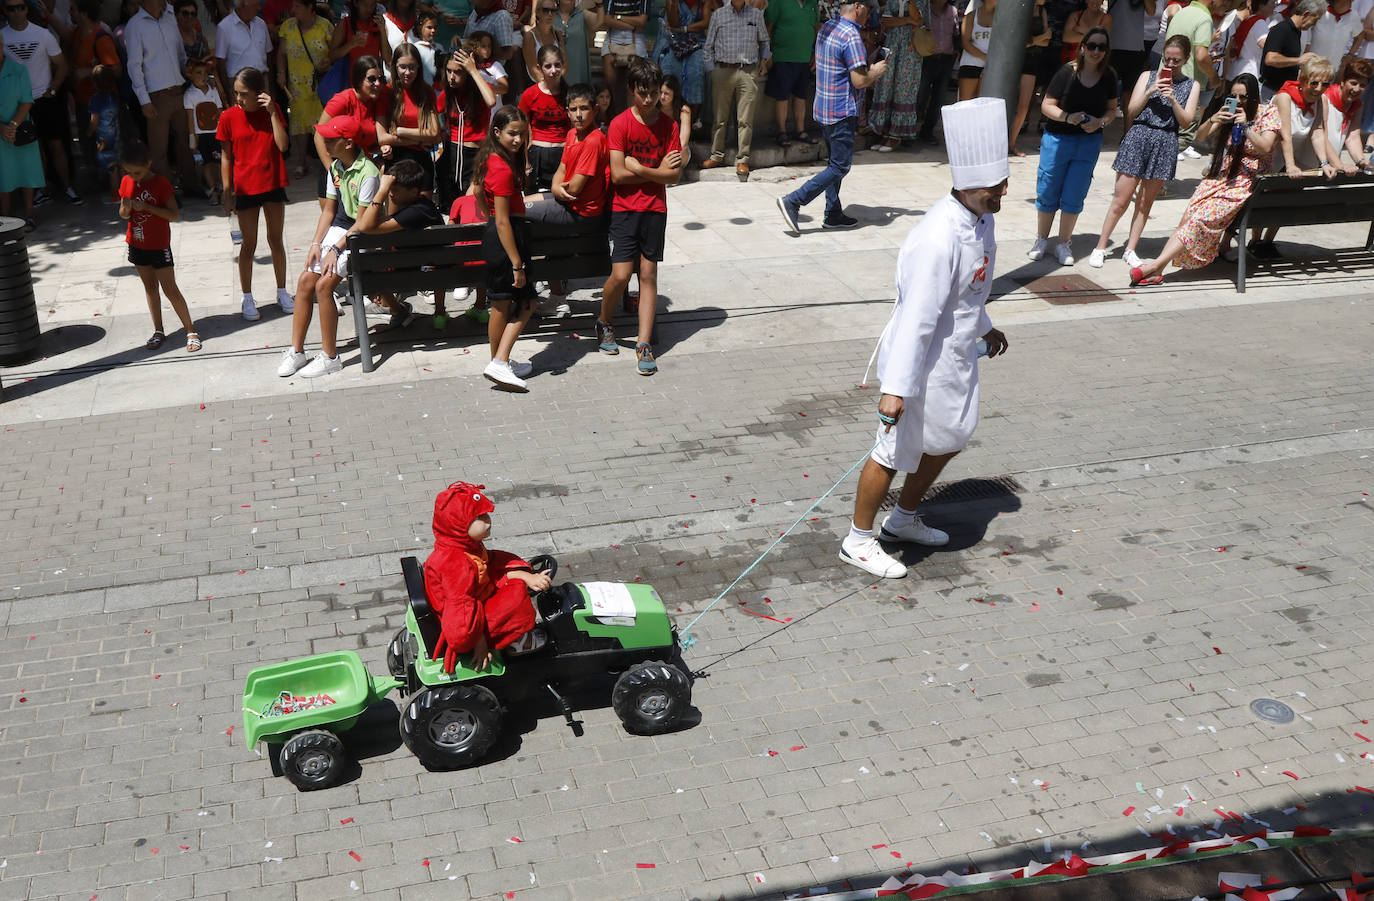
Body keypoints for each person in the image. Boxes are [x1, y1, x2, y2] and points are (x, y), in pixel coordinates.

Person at [839, 97, 1010, 579]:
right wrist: (895, 388)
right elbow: (918, 316)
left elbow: (969, 292)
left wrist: (984, 326)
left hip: (954, 356)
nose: (1003, 191)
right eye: (997, 184)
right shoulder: (939, 237)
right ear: (972, 183)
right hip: (920, 360)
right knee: (893, 451)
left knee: (951, 435)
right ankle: (858, 539)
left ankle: (904, 518)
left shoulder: (983, 218)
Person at [1127, 73, 1280, 284]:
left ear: (1253, 97)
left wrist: (1246, 127)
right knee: (1189, 217)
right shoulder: (1228, 112)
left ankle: (1154, 266)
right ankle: (1157, 269)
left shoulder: (1268, 112)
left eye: (1243, 97)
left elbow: (1265, 148)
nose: (1238, 102)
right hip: (1220, 178)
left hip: (1245, 183)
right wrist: (1214, 119)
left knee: (1200, 220)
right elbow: (1199, 137)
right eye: (1233, 96)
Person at [596, 57, 680, 375]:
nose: (649, 99)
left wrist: (643, 168)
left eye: (654, 93)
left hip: (655, 209)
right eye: (643, 92)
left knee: (648, 275)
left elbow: (672, 176)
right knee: (621, 275)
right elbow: (617, 175)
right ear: (632, 90)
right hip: (625, 209)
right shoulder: (619, 124)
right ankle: (604, 321)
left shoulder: (669, 126)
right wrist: (657, 172)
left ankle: (644, 344)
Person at [280, 114, 380, 378]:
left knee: (324, 285)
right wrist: (316, 243)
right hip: (340, 230)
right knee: (304, 282)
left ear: (347, 143)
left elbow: (361, 223)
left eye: (331, 138)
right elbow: (329, 211)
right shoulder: (335, 167)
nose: (324, 141)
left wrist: (335, 249)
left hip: (360, 235)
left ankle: (330, 356)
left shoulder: (368, 172)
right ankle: (297, 351)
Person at [777, 0, 888, 234]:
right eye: (870, 9)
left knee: (834, 163)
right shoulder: (852, 36)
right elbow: (859, 81)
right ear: (858, 7)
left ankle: (833, 213)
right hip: (841, 111)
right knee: (840, 166)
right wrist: (875, 72)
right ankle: (794, 201)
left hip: (824, 108)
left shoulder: (828, 27)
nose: (870, 15)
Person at [1091, 33, 1198, 266]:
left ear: (1186, 59)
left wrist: (1172, 100)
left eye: (1176, 61)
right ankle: (1100, 246)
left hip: (1165, 140)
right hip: (1139, 136)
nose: (1169, 64)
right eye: (1166, 59)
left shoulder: (1192, 85)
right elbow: (1131, 110)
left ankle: (1130, 249)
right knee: (1121, 199)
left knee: (1144, 203)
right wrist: (1150, 91)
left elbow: (1187, 121)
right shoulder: (1147, 76)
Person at [423, 482, 552, 674]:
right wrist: (480, 643)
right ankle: (514, 643)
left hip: (474, 601)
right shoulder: (457, 565)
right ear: (459, 524)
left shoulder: (466, 547)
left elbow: (490, 570)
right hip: (461, 621)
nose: (488, 521)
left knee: (517, 583)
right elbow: (462, 612)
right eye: (480, 517)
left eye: (486, 514)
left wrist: (527, 576)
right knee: (515, 598)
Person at [1029, 26, 1119, 265]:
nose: (1096, 51)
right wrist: (1068, 117)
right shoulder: (1067, 72)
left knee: (1075, 192)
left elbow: (1112, 109)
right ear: (1083, 47)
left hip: (1088, 142)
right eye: (1092, 46)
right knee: (1048, 188)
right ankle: (1041, 239)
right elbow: (1047, 105)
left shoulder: (1109, 76)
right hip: (1058, 139)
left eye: (1102, 47)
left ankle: (1063, 243)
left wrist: (1101, 122)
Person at [472, 105, 538, 390]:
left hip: (500, 237)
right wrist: (517, 264)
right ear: (497, 132)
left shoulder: (491, 159)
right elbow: (501, 221)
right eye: (512, 134)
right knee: (526, 303)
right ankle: (499, 362)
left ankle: (499, 362)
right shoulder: (501, 167)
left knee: (501, 305)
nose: (518, 140)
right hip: (507, 240)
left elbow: (477, 193)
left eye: (522, 134)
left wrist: (490, 219)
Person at [218, 66, 292, 321]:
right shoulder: (228, 117)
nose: (239, 99)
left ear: (259, 93)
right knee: (248, 244)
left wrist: (272, 112)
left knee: (276, 240)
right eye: (236, 93)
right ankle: (247, 296)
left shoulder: (272, 111)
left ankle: (282, 291)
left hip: (272, 183)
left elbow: (283, 146)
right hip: (246, 188)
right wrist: (227, 191)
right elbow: (226, 156)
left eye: (244, 94)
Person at [118, 143, 202, 353]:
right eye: (129, 172)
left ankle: (191, 331)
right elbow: (122, 212)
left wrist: (147, 207)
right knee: (150, 288)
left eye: (137, 172)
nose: (134, 177)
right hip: (136, 243)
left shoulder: (161, 184)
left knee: (170, 288)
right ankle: (158, 330)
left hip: (159, 244)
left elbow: (173, 214)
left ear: (148, 164)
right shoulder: (126, 181)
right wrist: (127, 209)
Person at [1249, 55, 1337, 254]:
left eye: (1325, 84)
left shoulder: (1321, 99)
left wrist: (1324, 162)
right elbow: (1284, 133)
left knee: (1288, 196)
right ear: (1303, 80)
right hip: (1274, 152)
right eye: (1314, 82)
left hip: (1298, 152)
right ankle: (1255, 240)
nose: (1319, 88)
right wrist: (1289, 164)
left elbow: (1318, 131)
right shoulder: (1285, 97)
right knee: (1265, 196)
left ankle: (1268, 241)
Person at [3, 0, 78, 205]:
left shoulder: (43, 34)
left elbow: (62, 66)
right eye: (11, 8)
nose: (17, 12)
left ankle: (67, 187)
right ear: (5, 11)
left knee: (56, 145)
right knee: (33, 150)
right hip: (19, 105)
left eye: (21, 7)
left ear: (27, 9)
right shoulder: (2, 37)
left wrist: (53, 88)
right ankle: (40, 190)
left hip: (45, 99)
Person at [353, 157, 440, 326]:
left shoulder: (415, 213)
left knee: (367, 265)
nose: (391, 193)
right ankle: (396, 309)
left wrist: (381, 191)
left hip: (418, 274)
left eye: (395, 190)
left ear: (414, 191)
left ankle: (394, 309)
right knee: (375, 258)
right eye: (389, 189)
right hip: (429, 267)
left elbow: (365, 226)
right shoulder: (422, 207)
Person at [124, 0, 197, 189]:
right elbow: (134, 66)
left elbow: (180, 53)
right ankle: (165, 190)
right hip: (155, 95)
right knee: (159, 150)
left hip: (179, 91)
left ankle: (191, 185)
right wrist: (144, 101)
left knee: (187, 142)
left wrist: (193, 71)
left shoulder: (170, 17)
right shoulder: (135, 25)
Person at [699, 0, 771, 178]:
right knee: (719, 118)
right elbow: (708, 45)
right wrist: (712, 71)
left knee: (745, 120)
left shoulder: (755, 15)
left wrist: (764, 61)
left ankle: (743, 160)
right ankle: (716, 156)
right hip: (723, 70)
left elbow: (764, 41)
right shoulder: (719, 15)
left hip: (747, 72)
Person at [435, 44, 496, 209]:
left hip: (475, 154)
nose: (451, 77)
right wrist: (440, 131)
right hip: (452, 153)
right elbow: (432, 114)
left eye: (458, 72)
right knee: (452, 205)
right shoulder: (447, 95)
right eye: (448, 71)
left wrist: (473, 70)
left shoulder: (480, 90)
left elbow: (491, 101)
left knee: (472, 204)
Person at [276, 0, 333, 176]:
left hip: (321, 85)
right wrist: (281, 73)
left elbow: (335, 52)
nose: (293, 10)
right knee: (299, 125)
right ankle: (301, 163)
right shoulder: (288, 26)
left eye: (298, 6)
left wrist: (328, 62)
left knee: (324, 123)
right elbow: (281, 53)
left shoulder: (325, 26)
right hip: (297, 85)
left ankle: (329, 161)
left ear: (310, 8)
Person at [378, 41, 441, 190]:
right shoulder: (386, 92)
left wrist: (400, 131)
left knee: (422, 210)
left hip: (422, 159)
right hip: (396, 157)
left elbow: (434, 133)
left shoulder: (427, 92)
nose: (407, 72)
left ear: (419, 67)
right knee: (396, 212)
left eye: (412, 67)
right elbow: (383, 138)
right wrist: (419, 141)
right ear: (395, 66)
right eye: (403, 67)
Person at [314, 54, 385, 182]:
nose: (378, 83)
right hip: (337, 170)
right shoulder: (343, 100)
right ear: (358, 79)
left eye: (381, 78)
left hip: (361, 173)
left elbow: (363, 142)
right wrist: (333, 173)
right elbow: (318, 135)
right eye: (372, 79)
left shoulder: (375, 101)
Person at [1164, 0, 1220, 154]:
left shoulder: (1183, 12)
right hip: (1186, 85)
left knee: (1168, 132)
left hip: (1168, 80)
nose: (1227, 4)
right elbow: (1201, 57)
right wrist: (1214, 78)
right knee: (1183, 135)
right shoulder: (1204, 18)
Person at [866, 0, 923, 151]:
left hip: (910, 49)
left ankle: (895, 136)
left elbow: (918, 20)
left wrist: (910, 9)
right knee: (885, 85)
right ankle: (885, 133)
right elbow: (886, 21)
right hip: (891, 45)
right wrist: (907, 20)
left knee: (903, 88)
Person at [0, 48, 43, 229]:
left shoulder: (18, 70)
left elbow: (27, 101)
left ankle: (29, 215)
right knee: (3, 175)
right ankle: (6, 219)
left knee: (27, 173)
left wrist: (11, 127)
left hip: (21, 130)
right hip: (1, 131)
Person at [519, 43, 570, 189]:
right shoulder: (530, 94)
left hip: (563, 154)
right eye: (548, 66)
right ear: (539, 68)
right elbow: (521, 130)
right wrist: (525, 162)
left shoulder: (570, 93)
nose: (553, 71)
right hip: (538, 153)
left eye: (557, 65)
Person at [1008, 0, 1051, 155]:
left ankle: (1011, 143)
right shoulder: (1018, 8)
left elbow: (1047, 41)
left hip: (1032, 60)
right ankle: (1002, 141)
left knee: (1024, 106)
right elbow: (1016, 40)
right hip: (1013, 58)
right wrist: (1039, 39)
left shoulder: (1042, 11)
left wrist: (1033, 41)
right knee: (1006, 102)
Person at [1110, 0, 1159, 132]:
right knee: (1107, 93)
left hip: (1135, 48)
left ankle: (1127, 133)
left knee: (1130, 94)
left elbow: (1151, 10)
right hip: (1112, 47)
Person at [656, 0, 708, 126]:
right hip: (673, 42)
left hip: (697, 42)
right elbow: (673, 22)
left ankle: (692, 121)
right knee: (668, 70)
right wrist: (673, 3)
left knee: (695, 73)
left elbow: (705, 23)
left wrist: (683, 29)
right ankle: (667, 119)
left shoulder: (704, 3)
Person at [1259, 0, 1321, 100]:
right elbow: (1270, 59)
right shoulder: (1282, 29)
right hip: (1270, 90)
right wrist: (1298, 60)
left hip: (1283, 91)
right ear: (1306, 14)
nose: (1313, 24)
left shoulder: (1296, 31)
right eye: (1315, 20)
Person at [913, 0, 955, 144]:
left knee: (939, 99)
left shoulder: (953, 11)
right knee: (920, 95)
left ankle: (927, 131)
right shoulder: (925, 10)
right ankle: (910, 130)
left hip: (946, 59)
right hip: (926, 59)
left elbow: (955, 33)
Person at [183, 58, 223, 201]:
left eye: (205, 72)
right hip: (201, 136)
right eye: (198, 73)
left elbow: (219, 111)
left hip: (216, 133)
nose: (203, 76)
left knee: (220, 161)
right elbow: (189, 118)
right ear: (190, 74)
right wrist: (192, 138)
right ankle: (213, 191)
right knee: (206, 163)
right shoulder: (189, 95)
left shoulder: (214, 91)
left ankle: (223, 187)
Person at [1320, 57, 1371, 167]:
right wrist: (1339, 164)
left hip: (1333, 165)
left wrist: (1361, 161)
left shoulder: (1357, 106)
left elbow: (1352, 136)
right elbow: (1321, 137)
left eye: (1362, 85)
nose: (1357, 89)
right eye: (1353, 83)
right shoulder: (1324, 99)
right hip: (1312, 163)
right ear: (1343, 81)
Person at [600, 0, 648, 109]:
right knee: (610, 79)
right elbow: (607, 20)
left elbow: (642, 21)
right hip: (614, 35)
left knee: (633, 81)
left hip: (635, 36)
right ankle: (613, 115)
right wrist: (632, 26)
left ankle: (632, 115)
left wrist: (618, 17)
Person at [216, 0, 272, 89]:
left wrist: (271, 86)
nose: (259, 8)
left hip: (262, 81)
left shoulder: (261, 24)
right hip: (239, 85)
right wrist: (229, 92)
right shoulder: (224, 27)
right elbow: (220, 63)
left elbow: (269, 54)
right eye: (255, 5)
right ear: (243, 5)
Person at [90, 64, 122, 202]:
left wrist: (88, 132)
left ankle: (115, 194)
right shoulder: (115, 96)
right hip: (119, 135)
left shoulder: (95, 99)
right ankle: (125, 191)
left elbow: (94, 121)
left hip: (104, 138)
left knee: (111, 166)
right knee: (121, 163)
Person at [1223, 0, 1273, 81]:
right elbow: (1266, 45)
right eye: (1272, 2)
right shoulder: (1259, 22)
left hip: (1236, 70)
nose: (1275, 6)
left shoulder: (1249, 19)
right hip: (1248, 74)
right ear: (1261, 6)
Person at [1308, 0, 1363, 73]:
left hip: (1334, 71)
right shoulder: (1319, 11)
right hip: (1311, 68)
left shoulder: (1353, 15)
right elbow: (1306, 39)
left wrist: (1350, 56)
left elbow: (1360, 36)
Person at [553, 0, 598, 87]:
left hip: (578, 68)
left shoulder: (582, 14)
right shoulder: (550, 13)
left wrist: (599, 4)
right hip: (556, 67)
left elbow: (599, 22)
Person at [330, 0, 388, 67]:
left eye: (372, 5)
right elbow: (332, 56)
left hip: (373, 76)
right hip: (351, 76)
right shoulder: (345, 23)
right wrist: (350, 45)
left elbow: (387, 58)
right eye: (365, 5)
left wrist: (383, 30)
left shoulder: (378, 23)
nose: (369, 9)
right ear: (355, 3)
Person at [957, 0, 995, 100]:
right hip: (970, 64)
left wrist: (989, 63)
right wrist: (986, 59)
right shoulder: (971, 16)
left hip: (990, 68)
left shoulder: (1000, 18)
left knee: (982, 106)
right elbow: (965, 43)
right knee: (964, 105)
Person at [523, 0, 564, 82]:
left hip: (557, 83)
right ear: (537, 12)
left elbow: (565, 63)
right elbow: (533, 70)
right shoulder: (530, 36)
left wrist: (555, 82)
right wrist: (548, 85)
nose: (550, 14)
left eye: (553, 11)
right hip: (537, 86)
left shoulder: (558, 35)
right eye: (545, 10)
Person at [469, 31, 510, 103]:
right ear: (474, 47)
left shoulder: (495, 65)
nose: (487, 49)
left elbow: (504, 88)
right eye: (483, 46)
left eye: (489, 46)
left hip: (494, 111)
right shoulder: (469, 66)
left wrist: (484, 87)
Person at [407, 8, 442, 83]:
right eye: (429, 27)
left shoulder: (439, 47)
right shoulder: (414, 48)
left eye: (435, 28)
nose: (433, 31)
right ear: (420, 27)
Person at [175, 0, 213, 67]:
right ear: (176, 15)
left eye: (193, 14)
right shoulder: (172, 38)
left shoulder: (201, 38)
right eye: (185, 13)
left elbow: (209, 61)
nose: (189, 17)